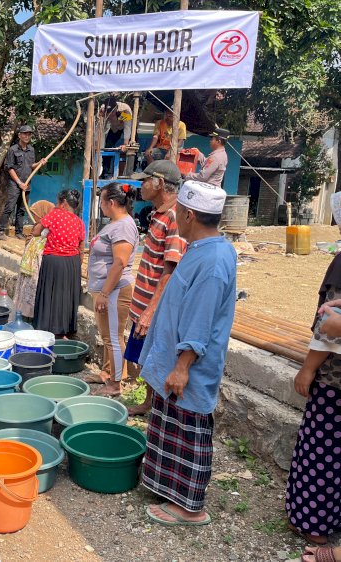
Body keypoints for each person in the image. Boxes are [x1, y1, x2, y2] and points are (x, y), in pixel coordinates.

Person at [140, 180, 236, 527]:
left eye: (178, 210)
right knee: (170, 428)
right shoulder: (201, 248)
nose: (174, 215)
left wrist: (182, 367)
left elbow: (201, 321)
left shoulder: (212, 262)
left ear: (189, 214)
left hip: (188, 369)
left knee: (189, 434)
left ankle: (190, 507)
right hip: (173, 361)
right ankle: (169, 489)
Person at [285, 217, 341, 546]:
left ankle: (313, 526)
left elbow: (328, 330)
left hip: (333, 382)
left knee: (320, 454)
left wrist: (307, 369)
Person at [125, 160, 187, 416]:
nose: (140, 185)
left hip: (155, 307)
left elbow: (170, 271)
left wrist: (150, 311)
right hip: (143, 303)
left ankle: (158, 408)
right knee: (141, 357)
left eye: (144, 180)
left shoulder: (173, 217)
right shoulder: (157, 214)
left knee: (154, 357)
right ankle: (149, 402)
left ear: (160, 183)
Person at [86, 182, 139, 397]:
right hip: (105, 289)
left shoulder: (124, 226)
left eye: (102, 201)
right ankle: (108, 373)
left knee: (114, 338)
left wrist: (105, 293)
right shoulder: (113, 224)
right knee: (107, 336)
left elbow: (119, 262)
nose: (100, 206)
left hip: (115, 290)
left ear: (111, 202)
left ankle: (116, 385)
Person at [32, 189, 85, 337]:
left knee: (50, 294)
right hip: (73, 263)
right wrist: (76, 267)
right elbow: (81, 247)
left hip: (54, 260)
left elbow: (36, 232)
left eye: (58, 202)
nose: (56, 205)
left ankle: (47, 330)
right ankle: (66, 331)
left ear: (64, 203)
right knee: (67, 297)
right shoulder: (79, 222)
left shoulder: (55, 214)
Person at [0, 125, 47, 241]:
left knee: (21, 209)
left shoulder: (31, 150)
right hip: (15, 183)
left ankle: (19, 232)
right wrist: (19, 183)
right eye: (24, 134)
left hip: (27, 183)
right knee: (9, 207)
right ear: (19, 135)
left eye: (29, 134)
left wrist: (40, 162)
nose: (27, 136)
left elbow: (32, 166)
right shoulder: (12, 150)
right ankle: (0, 231)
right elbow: (10, 168)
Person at [14, 200, 55, 321]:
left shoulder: (48, 228)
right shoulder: (36, 226)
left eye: (36, 213)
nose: (34, 216)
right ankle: (26, 315)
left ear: (43, 213)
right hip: (29, 269)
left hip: (38, 266)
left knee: (35, 292)